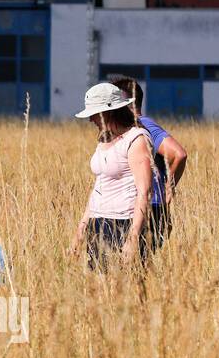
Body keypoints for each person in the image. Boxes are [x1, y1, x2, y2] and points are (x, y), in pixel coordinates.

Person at [69, 82, 154, 274]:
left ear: (110, 112)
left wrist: (132, 239)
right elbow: (98, 188)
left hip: (124, 223)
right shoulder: (103, 139)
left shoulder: (136, 139)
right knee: (98, 292)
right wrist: (80, 233)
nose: (91, 119)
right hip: (98, 224)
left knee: (125, 291)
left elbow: (145, 192)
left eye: (94, 113)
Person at [106, 73, 188, 253]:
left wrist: (169, 187)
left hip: (149, 208)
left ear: (126, 103)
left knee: (133, 268)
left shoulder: (143, 125)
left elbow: (178, 154)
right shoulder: (130, 128)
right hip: (143, 208)